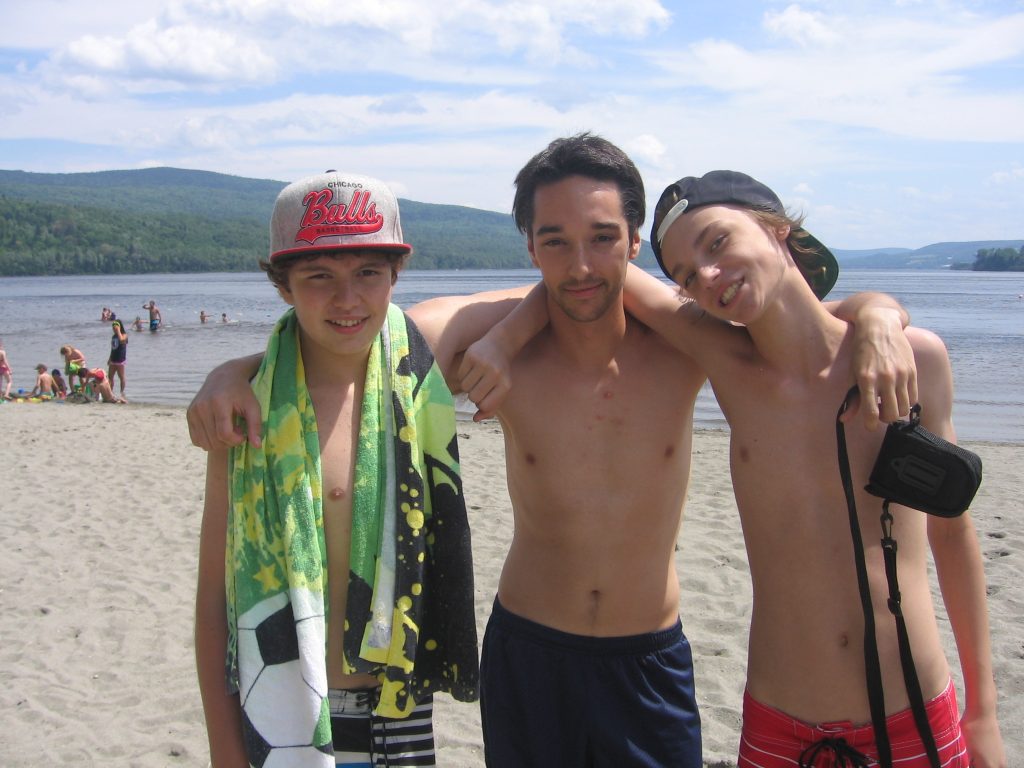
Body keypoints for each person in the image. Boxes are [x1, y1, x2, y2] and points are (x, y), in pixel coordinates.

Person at [187, 135, 916, 767]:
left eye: (603, 237)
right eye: (555, 242)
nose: (581, 266)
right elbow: (350, 343)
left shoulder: (683, 345)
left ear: (635, 243)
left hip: (648, 655)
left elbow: (806, 328)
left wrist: (880, 314)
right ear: (530, 248)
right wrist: (235, 372)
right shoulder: (486, 345)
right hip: (530, 650)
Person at [615, 170, 1003, 767]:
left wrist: (983, 714)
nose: (708, 276)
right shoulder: (730, 367)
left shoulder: (914, 360)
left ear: (777, 228)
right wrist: (505, 341)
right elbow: (598, 270)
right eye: (687, 276)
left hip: (914, 718)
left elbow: (952, 534)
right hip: (780, 730)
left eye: (718, 242)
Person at [194, 170, 479, 768]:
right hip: (283, 710)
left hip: (399, 706)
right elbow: (214, 599)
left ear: (395, 275)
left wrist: (502, 345)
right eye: (319, 276)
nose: (347, 299)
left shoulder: (416, 366)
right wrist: (224, 746)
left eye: (367, 273)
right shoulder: (249, 410)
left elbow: (545, 293)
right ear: (284, 286)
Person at [108, 319, 128, 401]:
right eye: (113, 328)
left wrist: (119, 331)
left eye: (115, 327)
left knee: (121, 377)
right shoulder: (113, 336)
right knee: (110, 377)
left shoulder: (124, 335)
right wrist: (109, 358)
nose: (114, 329)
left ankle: (122, 393)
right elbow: (112, 348)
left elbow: (122, 340)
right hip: (113, 358)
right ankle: (110, 392)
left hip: (120, 359)